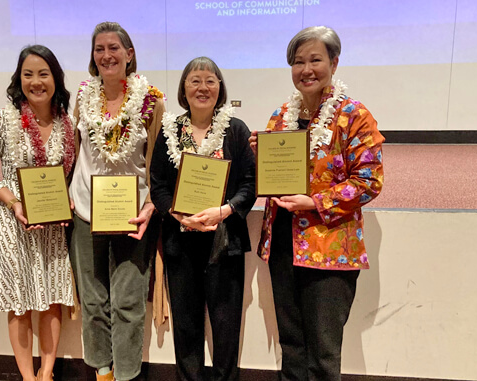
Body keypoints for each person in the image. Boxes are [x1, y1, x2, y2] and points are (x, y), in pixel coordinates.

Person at [249, 26, 384, 380]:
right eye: (298, 62)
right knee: (292, 345)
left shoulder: (354, 116)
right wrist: (259, 156)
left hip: (330, 248)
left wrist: (315, 200)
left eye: (315, 60)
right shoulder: (281, 116)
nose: (306, 69)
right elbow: (274, 177)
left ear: (334, 63)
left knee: (323, 353)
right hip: (281, 242)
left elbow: (369, 181)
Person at [67, 21, 165, 381]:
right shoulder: (82, 96)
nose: (106, 55)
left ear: (129, 53)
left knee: (127, 302)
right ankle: (102, 373)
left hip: (132, 214)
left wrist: (152, 203)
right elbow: (73, 152)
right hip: (85, 211)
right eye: (99, 49)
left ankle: (126, 375)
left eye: (113, 47)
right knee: (93, 302)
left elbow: (158, 158)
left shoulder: (152, 100)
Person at [150, 57, 256, 381]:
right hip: (180, 242)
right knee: (186, 327)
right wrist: (178, 212)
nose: (203, 87)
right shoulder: (170, 131)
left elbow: (250, 184)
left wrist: (224, 210)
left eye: (210, 80)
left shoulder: (235, 130)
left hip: (225, 243)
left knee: (225, 328)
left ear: (220, 87)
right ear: (184, 88)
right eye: (195, 80)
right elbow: (158, 185)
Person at [0, 45, 76, 381]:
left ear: (55, 78)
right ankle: (28, 377)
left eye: (43, 74)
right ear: (19, 79)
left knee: (50, 298)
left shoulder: (67, 123)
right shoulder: (1, 119)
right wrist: (13, 202)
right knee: (18, 302)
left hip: (51, 222)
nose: (36, 82)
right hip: (12, 221)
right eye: (28, 74)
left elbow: (71, 174)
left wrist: (69, 199)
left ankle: (46, 373)